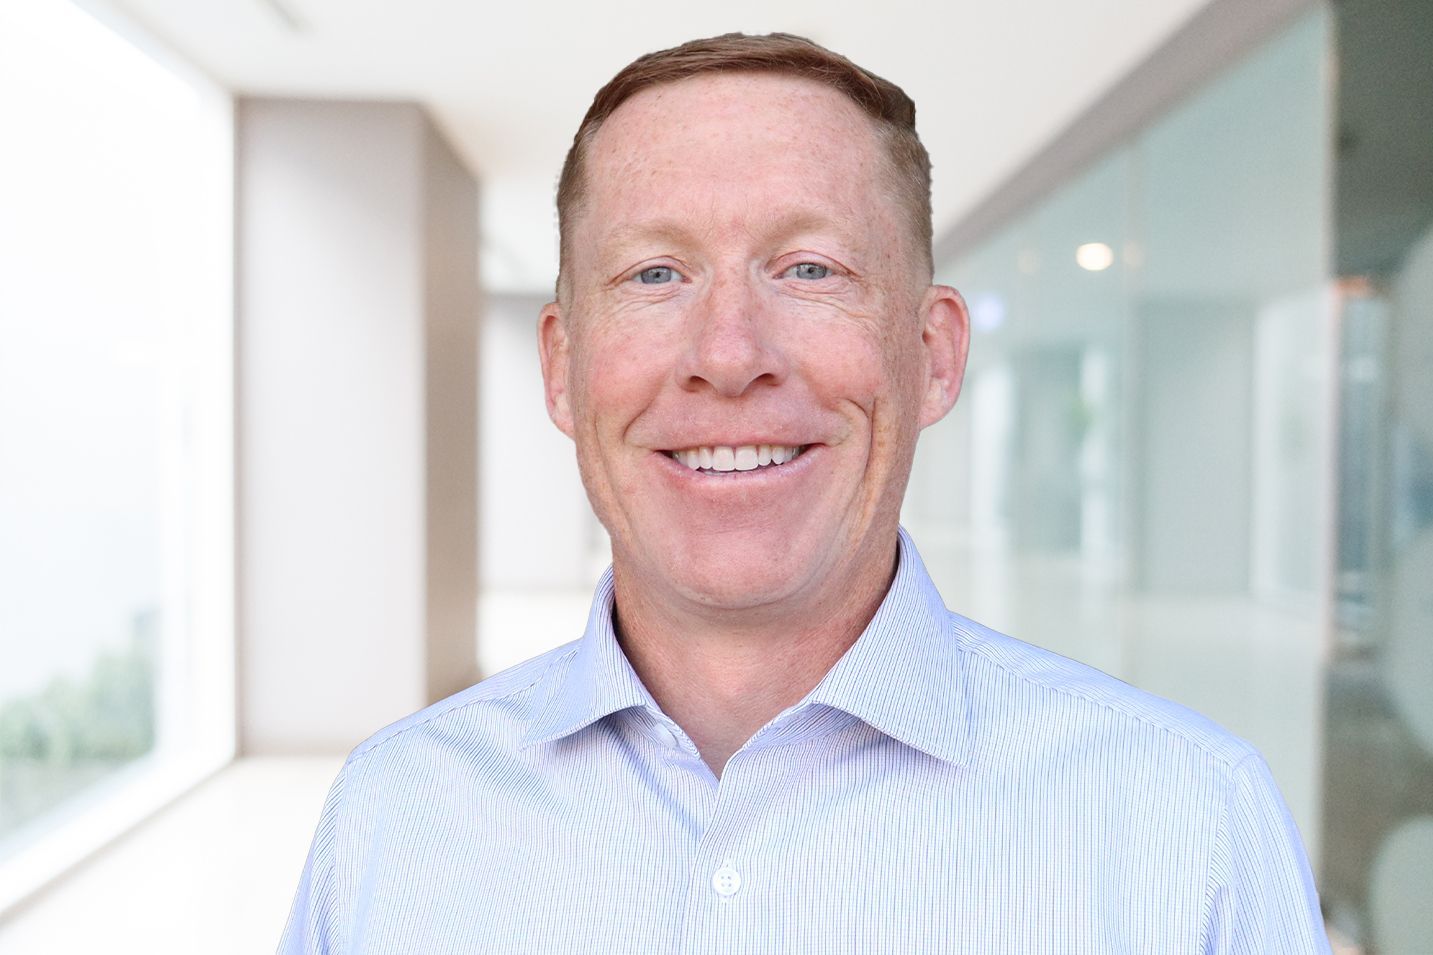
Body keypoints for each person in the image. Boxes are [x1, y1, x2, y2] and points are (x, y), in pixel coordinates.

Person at [279, 33, 1330, 953]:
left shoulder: (1191, 827)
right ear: (562, 368)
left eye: (809, 269)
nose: (727, 355)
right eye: (654, 274)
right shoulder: (392, 817)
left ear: (930, 354)